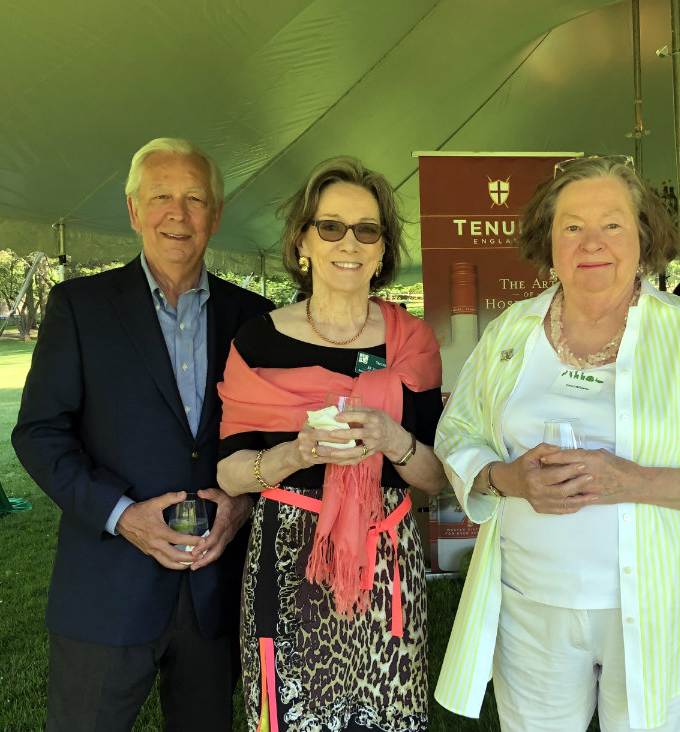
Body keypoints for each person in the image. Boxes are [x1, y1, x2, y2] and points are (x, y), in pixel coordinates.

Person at [433, 155, 680, 732]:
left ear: (643, 235)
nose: (593, 242)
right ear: (549, 239)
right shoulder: (510, 331)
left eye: (612, 223)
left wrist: (632, 481)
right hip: (530, 602)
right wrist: (506, 478)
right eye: (572, 226)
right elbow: (457, 434)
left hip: (658, 603)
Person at [12, 138, 275, 731]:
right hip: (107, 589)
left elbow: (274, 440)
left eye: (195, 198)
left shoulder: (254, 318)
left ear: (216, 213)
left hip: (214, 591)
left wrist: (240, 502)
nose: (177, 214)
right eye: (160, 196)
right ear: (133, 210)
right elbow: (39, 433)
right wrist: (123, 515)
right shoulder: (80, 306)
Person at [215, 156, 447, 732]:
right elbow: (229, 474)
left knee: (385, 716)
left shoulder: (410, 340)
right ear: (303, 242)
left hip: (386, 562)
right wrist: (298, 453)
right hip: (289, 558)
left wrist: (394, 439)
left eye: (367, 229)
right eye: (332, 226)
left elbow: (438, 475)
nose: (350, 242)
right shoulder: (259, 338)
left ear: (382, 249)